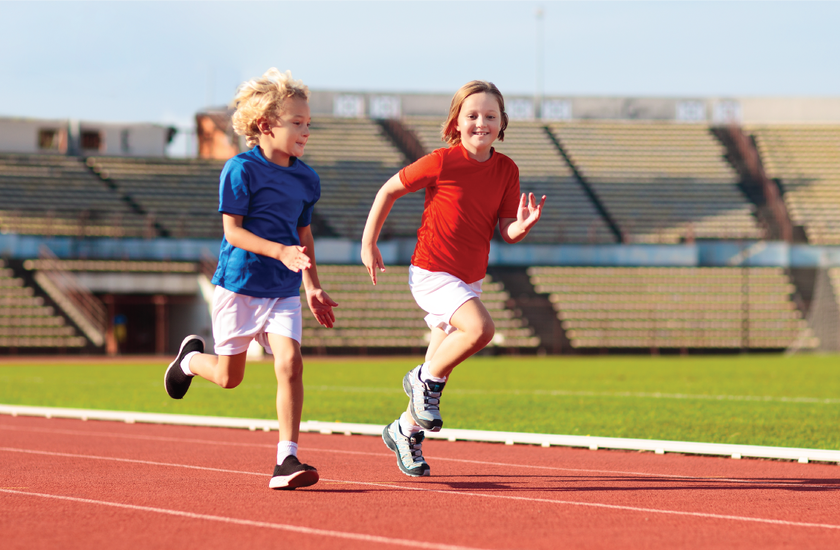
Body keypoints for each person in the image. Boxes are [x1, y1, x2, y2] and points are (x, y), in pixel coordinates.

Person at [361, 80, 546, 477]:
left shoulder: (506, 169)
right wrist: (368, 242)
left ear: (502, 123)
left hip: (468, 279)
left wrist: (522, 226)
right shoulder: (441, 162)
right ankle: (419, 378)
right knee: (480, 330)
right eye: (473, 115)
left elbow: (506, 229)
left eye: (490, 116)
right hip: (432, 272)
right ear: (457, 122)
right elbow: (388, 191)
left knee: (438, 372)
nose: (482, 122)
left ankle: (403, 431)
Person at [164, 68, 337, 490]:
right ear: (265, 126)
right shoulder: (240, 170)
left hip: (282, 290)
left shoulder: (306, 178)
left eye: (308, 124)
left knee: (290, 363)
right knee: (229, 378)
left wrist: (312, 285)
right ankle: (189, 361)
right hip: (239, 286)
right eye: (297, 123)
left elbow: (304, 235)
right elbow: (233, 232)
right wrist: (279, 251)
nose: (305, 131)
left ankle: (287, 459)